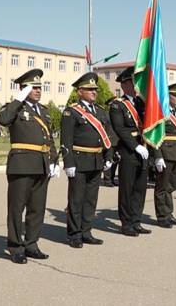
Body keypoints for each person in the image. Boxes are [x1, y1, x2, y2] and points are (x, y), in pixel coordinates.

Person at [0, 69, 60, 264]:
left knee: (37, 208)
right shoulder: (14, 108)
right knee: (17, 208)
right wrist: (18, 100)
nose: (39, 90)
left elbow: (49, 138)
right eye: (34, 87)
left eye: (40, 87)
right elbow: (3, 120)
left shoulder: (44, 111)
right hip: (21, 165)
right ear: (24, 89)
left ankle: (31, 244)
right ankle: (16, 246)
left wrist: (54, 160)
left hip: (41, 165)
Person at [61, 72, 118, 248]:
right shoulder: (72, 112)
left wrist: (108, 157)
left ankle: (86, 231)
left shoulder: (100, 112)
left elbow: (107, 136)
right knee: (76, 200)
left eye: (95, 89)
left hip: (96, 160)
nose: (94, 92)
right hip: (78, 161)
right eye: (90, 89)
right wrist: (68, 162)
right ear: (80, 92)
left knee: (91, 200)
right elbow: (66, 140)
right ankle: (74, 234)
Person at [109, 66, 151, 237]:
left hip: (145, 149)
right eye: (133, 82)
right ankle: (126, 223)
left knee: (140, 188)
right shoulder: (117, 105)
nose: (136, 86)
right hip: (129, 151)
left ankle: (136, 221)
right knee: (127, 188)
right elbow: (120, 129)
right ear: (124, 84)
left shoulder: (143, 103)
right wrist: (136, 146)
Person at [153, 83, 176, 228]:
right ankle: (161, 217)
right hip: (165, 153)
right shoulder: (160, 112)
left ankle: (169, 213)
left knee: (171, 186)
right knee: (162, 187)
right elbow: (155, 135)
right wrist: (157, 155)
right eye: (175, 95)